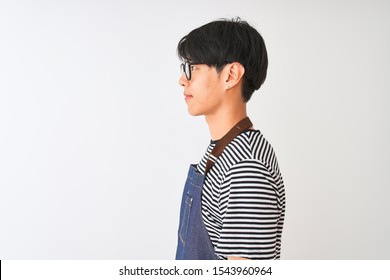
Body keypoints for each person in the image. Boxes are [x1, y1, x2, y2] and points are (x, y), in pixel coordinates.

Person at [175, 17, 286, 260]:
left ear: (231, 75)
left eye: (193, 68)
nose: (182, 80)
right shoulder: (224, 150)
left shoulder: (246, 167)